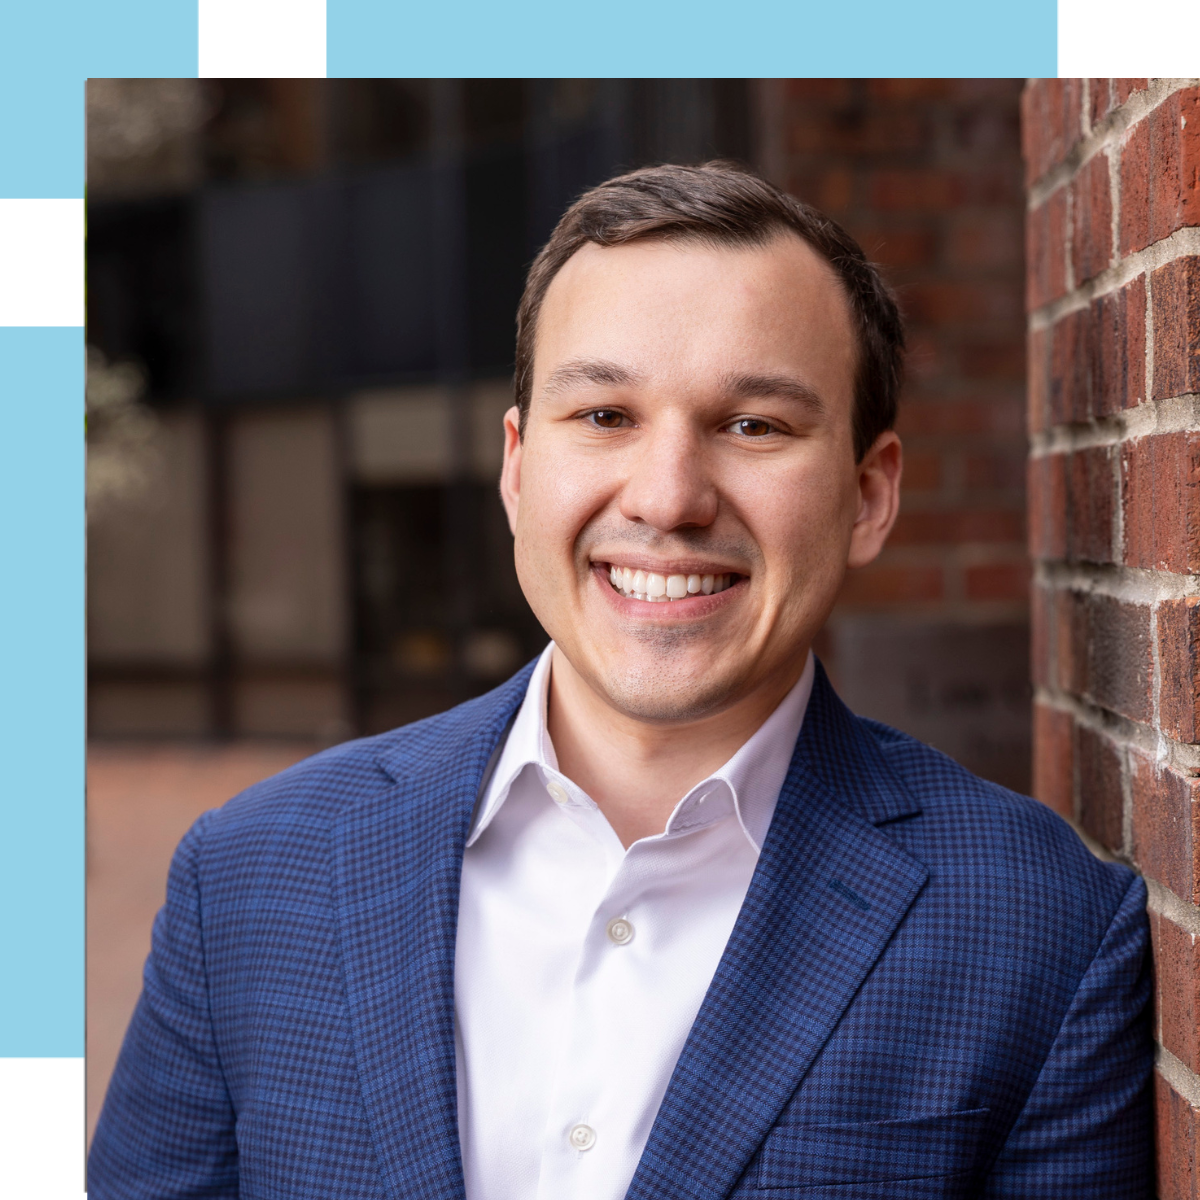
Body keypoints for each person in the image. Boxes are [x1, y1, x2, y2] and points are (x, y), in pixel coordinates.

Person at [89, 163, 1152, 1200]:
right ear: (516, 467)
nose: (669, 495)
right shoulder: (247, 875)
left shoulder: (1047, 930)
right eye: (604, 416)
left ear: (869, 496)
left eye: (754, 425)